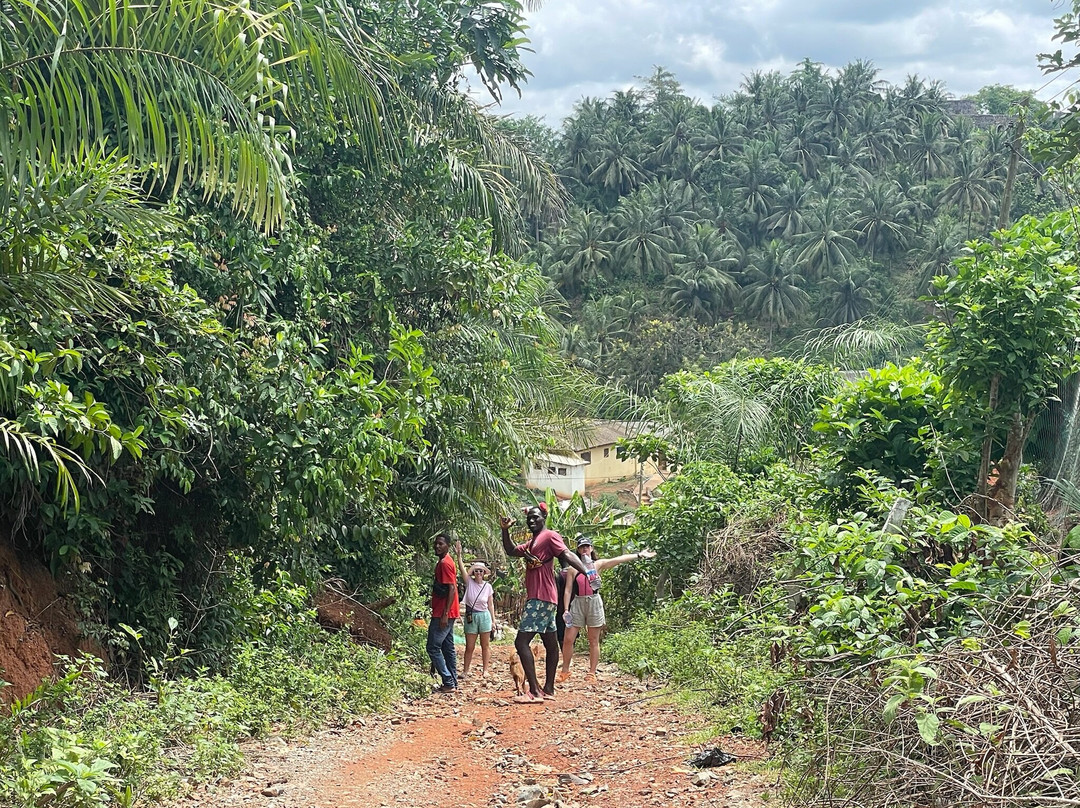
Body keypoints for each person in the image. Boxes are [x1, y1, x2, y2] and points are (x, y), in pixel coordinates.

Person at [500, 503, 592, 704]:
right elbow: (511, 550)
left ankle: (534, 691)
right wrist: (505, 530)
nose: (532, 521)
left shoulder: (549, 536)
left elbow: (566, 554)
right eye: (529, 518)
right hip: (547, 598)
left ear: (544, 517)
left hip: (540, 598)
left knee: (521, 642)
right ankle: (549, 688)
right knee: (550, 643)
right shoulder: (532, 543)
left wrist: (587, 571)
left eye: (536, 517)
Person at [557, 537, 656, 683]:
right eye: (582, 547)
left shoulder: (598, 564)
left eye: (587, 546)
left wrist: (639, 555)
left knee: (593, 640)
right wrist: (566, 609)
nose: (584, 549)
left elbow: (618, 559)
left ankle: (592, 672)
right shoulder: (573, 569)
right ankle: (565, 671)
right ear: (578, 550)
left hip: (594, 601)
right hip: (577, 602)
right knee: (568, 639)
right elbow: (568, 590)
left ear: (591, 548)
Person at [427, 533, 460, 693]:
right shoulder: (445, 561)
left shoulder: (445, 563)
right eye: (436, 543)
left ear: (448, 545)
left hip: (443, 612)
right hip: (447, 611)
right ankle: (453, 681)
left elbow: (451, 588)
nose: (437, 546)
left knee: (432, 647)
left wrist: (445, 613)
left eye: (441, 543)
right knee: (447, 647)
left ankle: (448, 681)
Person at [462, 561, 496, 678]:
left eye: (481, 571)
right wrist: (459, 556)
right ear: (473, 573)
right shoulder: (469, 583)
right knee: (469, 647)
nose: (478, 573)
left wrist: (493, 621)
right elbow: (462, 570)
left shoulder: (488, 587)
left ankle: (485, 670)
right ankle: (465, 671)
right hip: (471, 616)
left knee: (485, 645)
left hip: (484, 616)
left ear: (484, 573)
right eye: (476, 571)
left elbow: (490, 604)